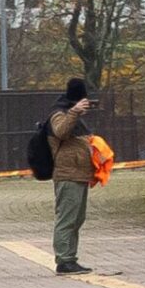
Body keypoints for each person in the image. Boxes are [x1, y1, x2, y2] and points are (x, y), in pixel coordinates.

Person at [47, 78, 96, 274]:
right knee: (67, 219)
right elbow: (61, 132)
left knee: (77, 219)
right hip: (67, 175)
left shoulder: (74, 117)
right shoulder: (59, 114)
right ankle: (64, 260)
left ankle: (70, 257)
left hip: (80, 174)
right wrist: (74, 112)